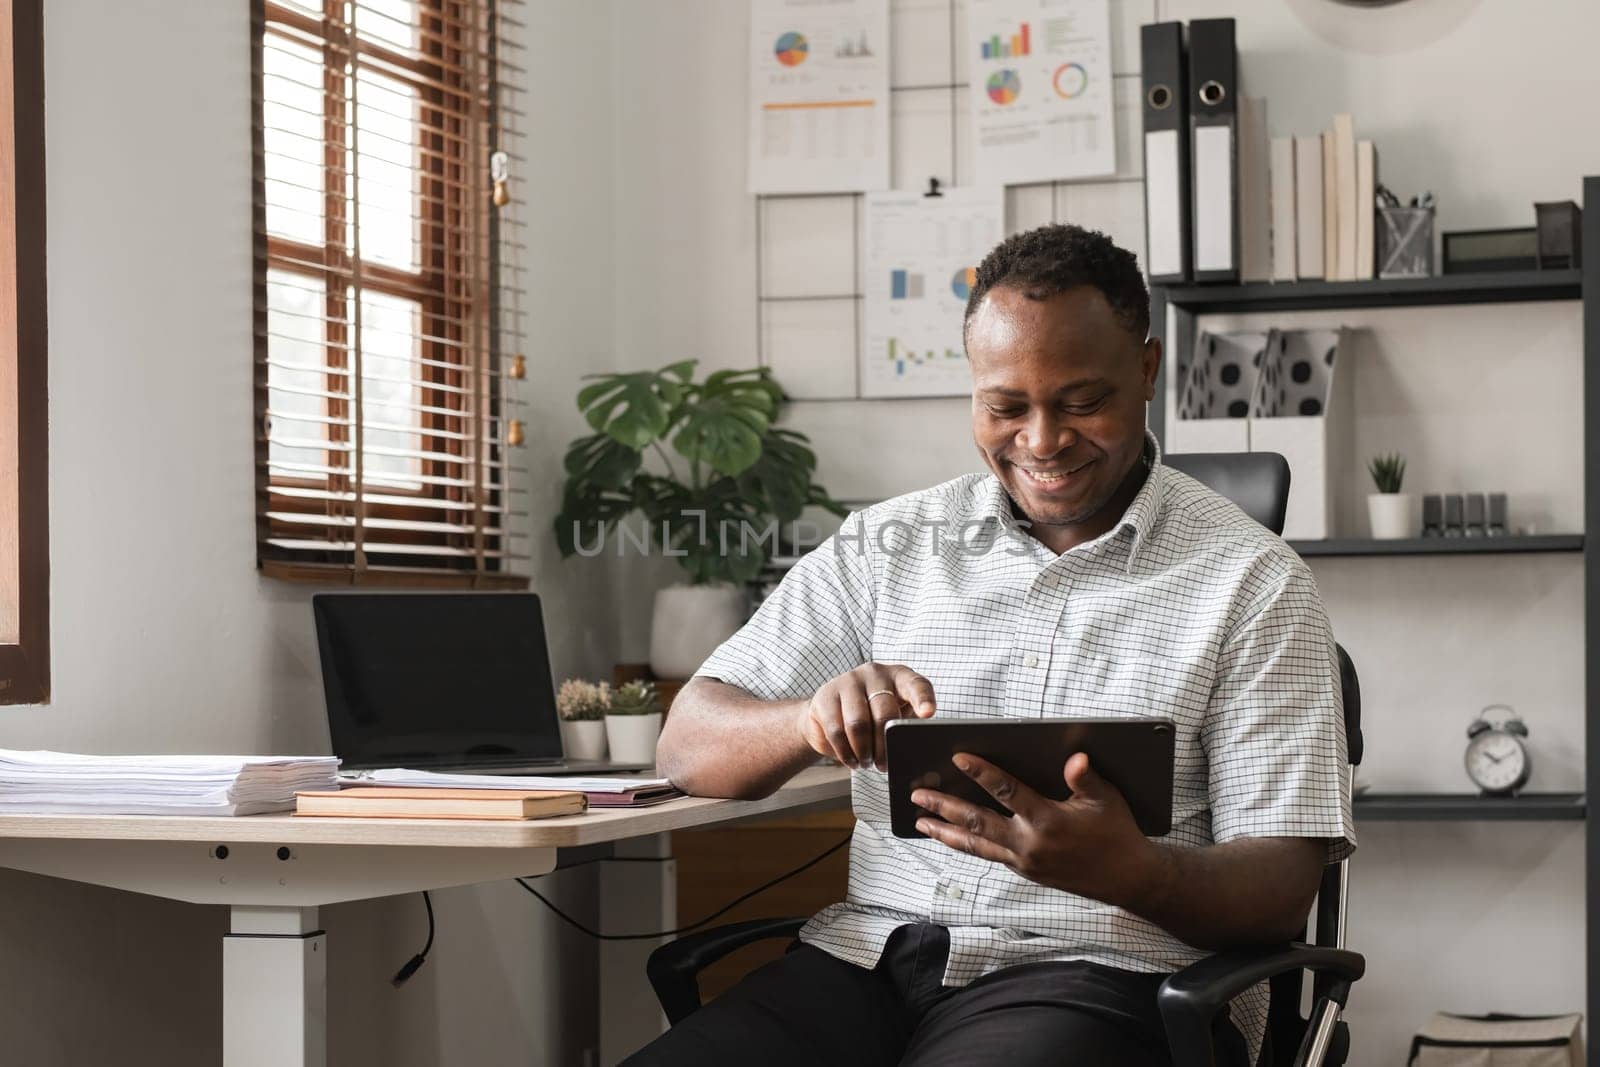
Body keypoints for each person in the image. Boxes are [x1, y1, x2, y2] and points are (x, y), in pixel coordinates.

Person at [630, 224, 1354, 1067]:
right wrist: (806, 720)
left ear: (1148, 371)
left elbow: (1281, 886)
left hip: (1103, 975)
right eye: (1006, 406)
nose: (1042, 441)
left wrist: (1134, 871)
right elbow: (687, 744)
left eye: (1082, 402)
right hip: (867, 961)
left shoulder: (1254, 580)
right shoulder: (887, 545)